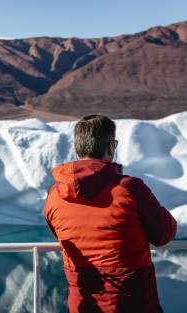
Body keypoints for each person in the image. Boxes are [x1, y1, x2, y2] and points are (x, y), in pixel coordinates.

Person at [44, 114, 177, 313]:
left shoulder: (55, 194)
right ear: (109, 148)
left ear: (77, 149)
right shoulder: (130, 189)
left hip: (82, 305)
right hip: (134, 305)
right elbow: (164, 234)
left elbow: (60, 234)